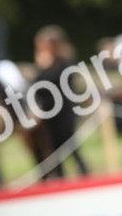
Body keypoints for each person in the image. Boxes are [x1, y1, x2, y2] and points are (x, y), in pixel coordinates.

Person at [31, 26, 90, 179]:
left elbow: (61, 81)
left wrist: (44, 68)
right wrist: (41, 68)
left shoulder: (64, 61)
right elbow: (38, 87)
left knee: (70, 145)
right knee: (54, 147)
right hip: (49, 112)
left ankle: (84, 172)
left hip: (64, 110)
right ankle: (60, 177)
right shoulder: (43, 63)